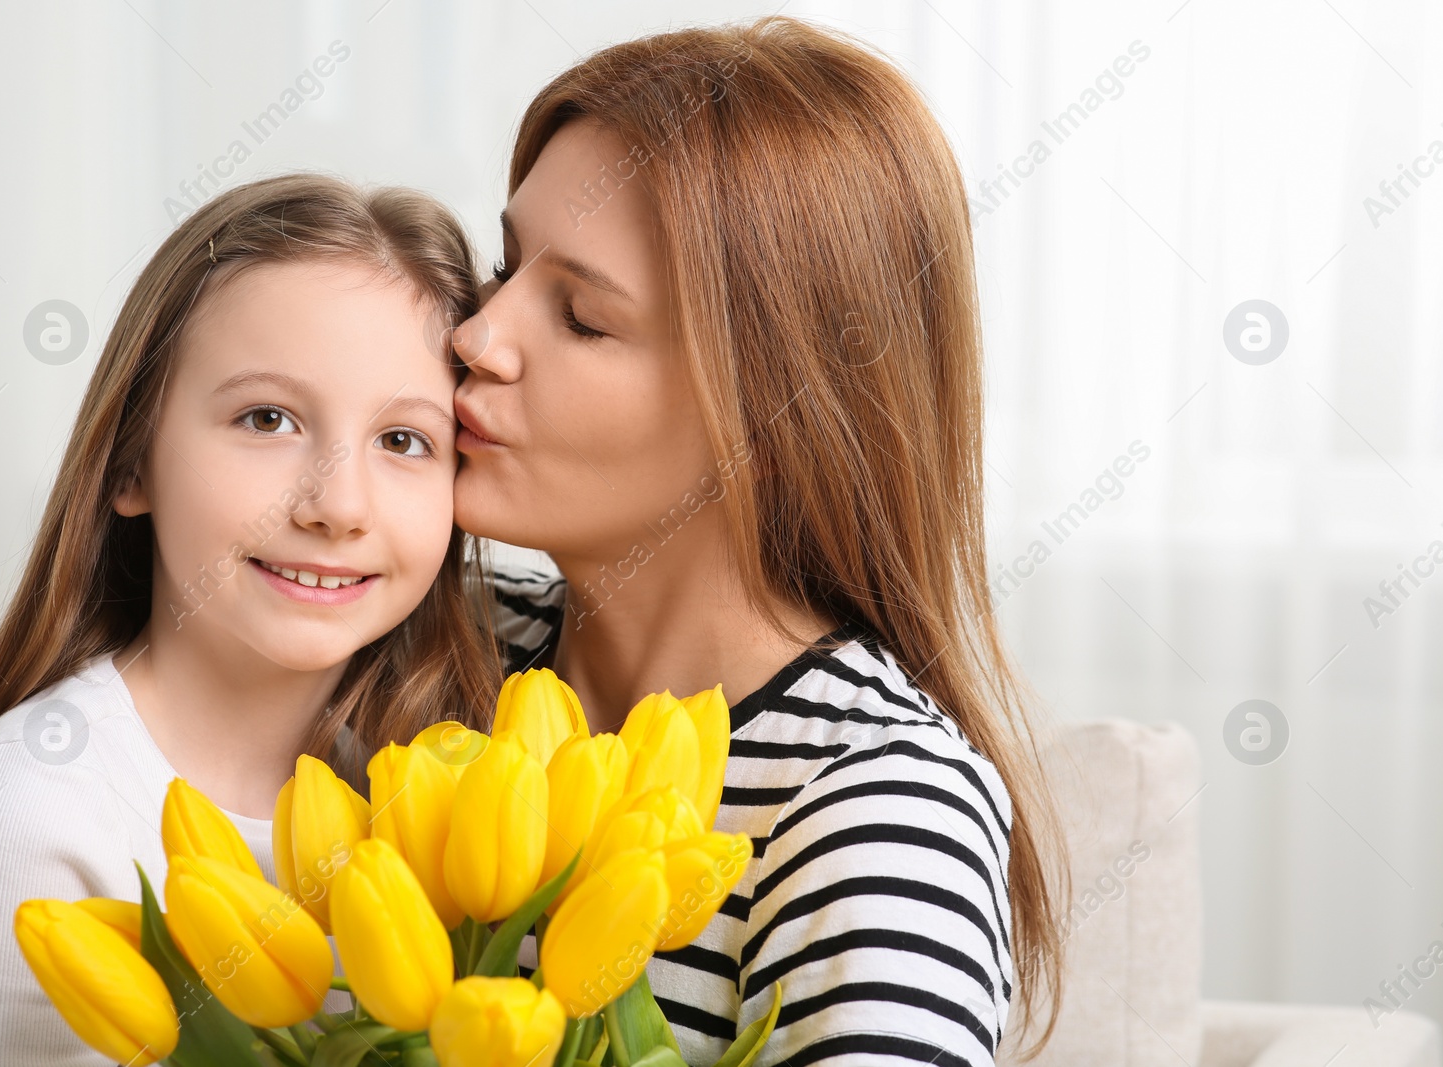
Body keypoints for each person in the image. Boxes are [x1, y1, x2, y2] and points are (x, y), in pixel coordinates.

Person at [453, 17, 1066, 1067]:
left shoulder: (872, 805)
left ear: (777, 421)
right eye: (505, 267)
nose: (476, 335)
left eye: (582, 317)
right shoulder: (429, 649)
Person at [0, 174, 501, 1064]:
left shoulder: (423, 794)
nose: (339, 504)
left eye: (404, 440)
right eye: (267, 418)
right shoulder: (26, 829)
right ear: (131, 468)